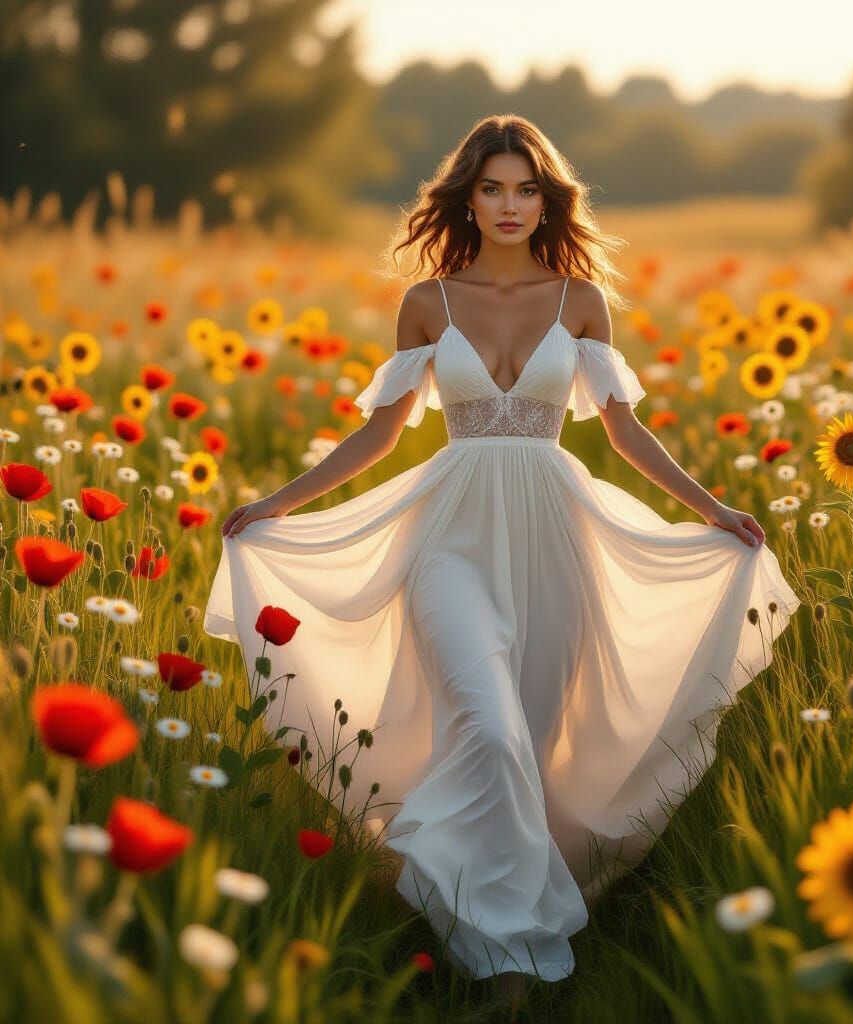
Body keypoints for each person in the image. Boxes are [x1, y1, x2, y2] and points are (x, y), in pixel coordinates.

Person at [205, 114, 800, 999]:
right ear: (466, 197)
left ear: (546, 198)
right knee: (487, 729)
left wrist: (713, 508)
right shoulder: (428, 302)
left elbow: (626, 432)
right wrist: (276, 505)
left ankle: (498, 928)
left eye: (526, 188)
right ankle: (506, 963)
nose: (510, 205)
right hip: (449, 540)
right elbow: (380, 434)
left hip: (559, 544)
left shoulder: (581, 299)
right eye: (492, 188)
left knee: (535, 747)